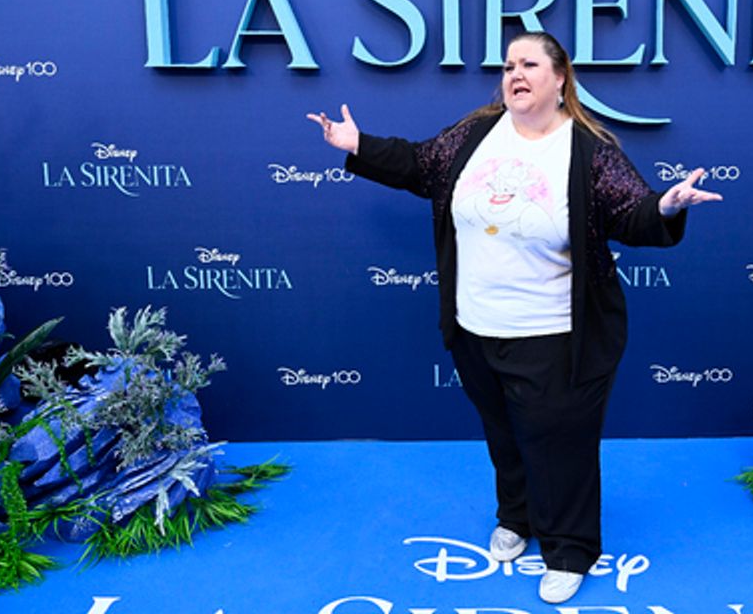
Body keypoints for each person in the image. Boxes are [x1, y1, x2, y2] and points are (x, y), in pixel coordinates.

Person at [307, 31, 720, 604]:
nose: (515, 74)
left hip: (553, 335)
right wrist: (358, 144)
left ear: (560, 79)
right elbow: (421, 164)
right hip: (475, 327)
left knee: (561, 443)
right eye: (507, 66)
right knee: (504, 434)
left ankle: (570, 547)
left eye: (529, 64)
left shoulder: (588, 150)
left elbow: (632, 210)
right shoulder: (477, 134)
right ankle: (517, 516)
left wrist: (667, 207)